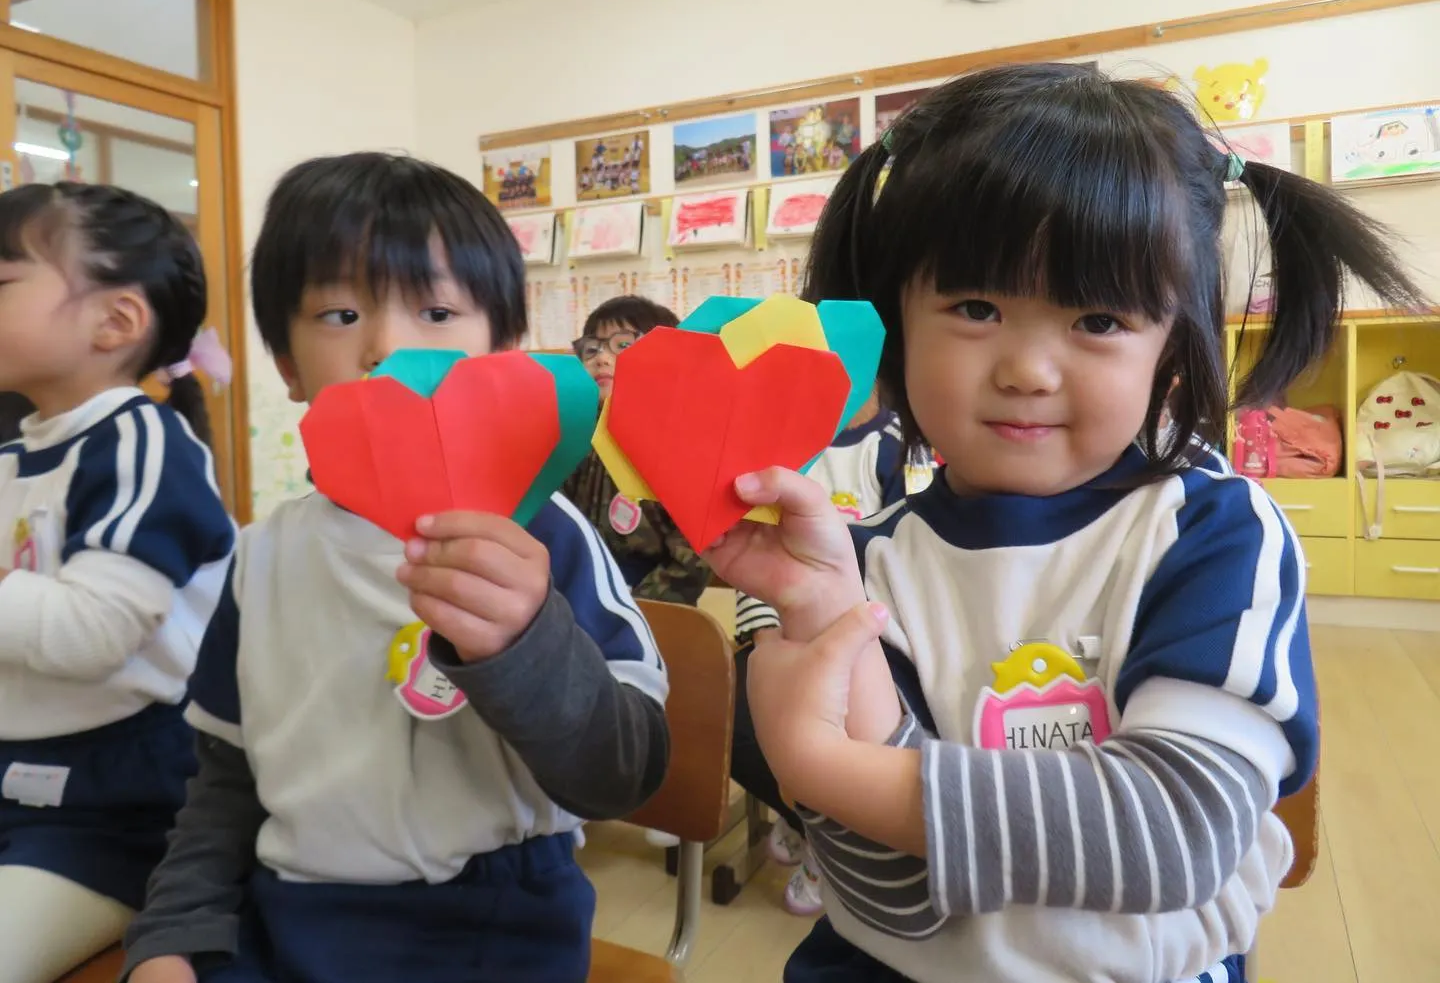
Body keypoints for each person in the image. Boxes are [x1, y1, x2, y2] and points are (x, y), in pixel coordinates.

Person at [705, 64, 1424, 983]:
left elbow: (1172, 833)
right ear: (893, 325)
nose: (1029, 370)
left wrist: (820, 763)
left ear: (1175, 345)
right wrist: (813, 626)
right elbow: (895, 903)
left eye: (1096, 317)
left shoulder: (1212, 533)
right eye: (975, 307)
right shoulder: (869, 557)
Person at [122, 154, 669, 983]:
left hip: (496, 924)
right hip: (290, 917)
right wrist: (171, 934)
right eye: (341, 313)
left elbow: (625, 770)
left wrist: (525, 641)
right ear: (289, 366)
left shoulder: (543, 537)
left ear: (502, 355)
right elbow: (225, 785)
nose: (385, 346)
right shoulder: (263, 555)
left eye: (437, 309)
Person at [0, 182, 235, 983]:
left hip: (117, 807)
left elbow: (90, 632)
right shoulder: (16, 452)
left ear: (116, 321)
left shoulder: (140, 441)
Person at [730, 391, 931, 916]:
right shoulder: (774, 451)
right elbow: (749, 549)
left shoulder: (894, 448)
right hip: (782, 631)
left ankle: (829, 834)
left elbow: (909, 552)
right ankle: (809, 819)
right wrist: (763, 638)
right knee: (737, 714)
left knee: (844, 728)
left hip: (868, 640)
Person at [564, 295, 713, 608]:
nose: (601, 358)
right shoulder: (578, 437)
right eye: (592, 348)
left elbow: (693, 557)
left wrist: (631, 609)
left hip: (652, 609)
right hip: (580, 598)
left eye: (623, 346)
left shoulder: (683, 446)